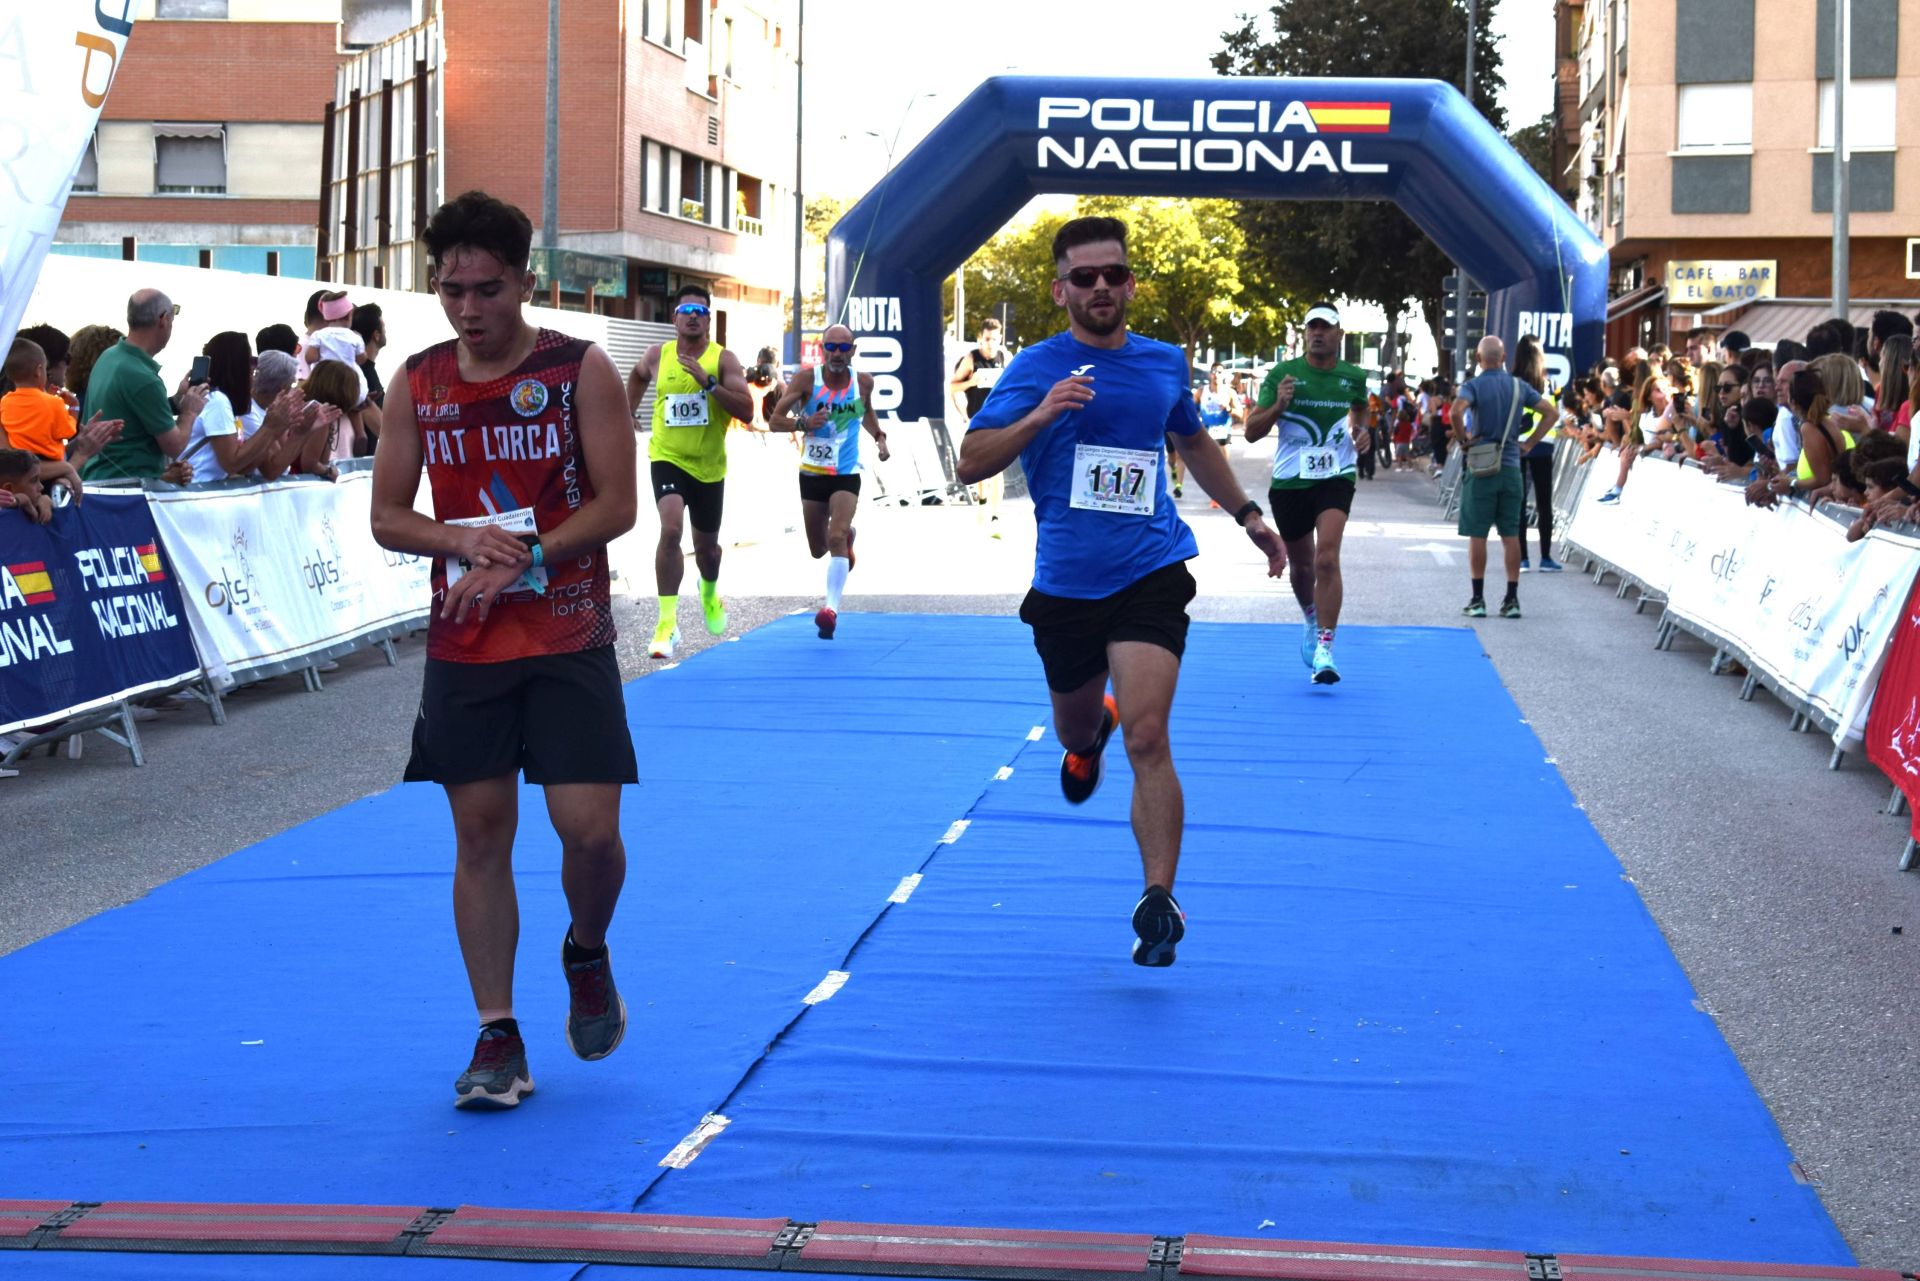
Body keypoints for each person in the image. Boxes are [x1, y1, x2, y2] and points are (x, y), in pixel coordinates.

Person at [954, 215, 1285, 969]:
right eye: (1084, 277)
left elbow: (1193, 439)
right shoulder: (1036, 366)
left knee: (1148, 735)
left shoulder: (1165, 363)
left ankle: (1158, 900)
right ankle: (1085, 734)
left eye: (1113, 274)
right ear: (1060, 288)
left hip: (1151, 569)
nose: (1101, 287)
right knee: (1081, 732)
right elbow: (971, 461)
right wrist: (1040, 415)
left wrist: (1247, 515)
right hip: (1067, 584)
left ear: (1131, 281)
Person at [369, 190, 640, 1111]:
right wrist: (457, 543)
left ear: (526, 282)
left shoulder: (581, 370)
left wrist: (529, 551)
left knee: (591, 836)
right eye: (451, 290)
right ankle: (497, 1032)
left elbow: (617, 506)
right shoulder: (418, 379)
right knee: (480, 833)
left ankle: (587, 948)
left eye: (487, 289)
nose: (469, 309)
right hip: (468, 643)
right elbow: (387, 516)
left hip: (567, 632)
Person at [626, 283, 754, 659]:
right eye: (687, 312)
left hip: (709, 468)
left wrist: (708, 383)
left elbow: (746, 410)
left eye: (701, 312)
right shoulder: (657, 355)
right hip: (666, 456)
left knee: (707, 551)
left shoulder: (723, 360)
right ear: (675, 318)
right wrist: (627, 412)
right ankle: (667, 622)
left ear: (709, 320)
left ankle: (709, 589)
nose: (693, 318)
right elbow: (635, 376)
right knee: (670, 529)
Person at [1245, 302, 1369, 684]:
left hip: (1336, 475)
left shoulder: (1353, 377)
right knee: (1302, 564)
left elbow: (1361, 410)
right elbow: (1251, 431)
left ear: (1339, 335)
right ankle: (1312, 618)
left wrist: (1361, 432)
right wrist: (1279, 405)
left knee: (1327, 558)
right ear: (1305, 333)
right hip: (1290, 480)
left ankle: (1326, 649)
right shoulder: (1283, 375)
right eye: (1312, 327)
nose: (1318, 333)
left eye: (1325, 327)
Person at [767, 323, 890, 638]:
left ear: (853, 350)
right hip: (812, 473)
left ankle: (830, 609)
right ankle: (847, 537)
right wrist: (804, 421)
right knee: (818, 548)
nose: (836, 353)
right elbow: (775, 421)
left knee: (833, 537)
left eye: (842, 347)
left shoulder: (863, 382)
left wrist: (879, 437)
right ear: (822, 350)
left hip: (846, 473)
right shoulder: (808, 379)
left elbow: (866, 412)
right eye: (830, 347)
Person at [1450, 336, 1562, 619]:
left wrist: (1464, 440)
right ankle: (1511, 599)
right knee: (1510, 534)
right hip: (1512, 466)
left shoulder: (1473, 386)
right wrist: (1530, 443)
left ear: (1478, 359)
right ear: (1503, 358)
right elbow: (1551, 413)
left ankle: (1478, 599)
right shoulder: (1518, 386)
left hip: (1482, 466)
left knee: (1478, 533)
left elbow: (1456, 410)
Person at [77, 289, 206, 483]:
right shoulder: (143, 378)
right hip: (125, 490)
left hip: (99, 480)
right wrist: (189, 412)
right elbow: (175, 446)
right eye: (173, 316)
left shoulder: (109, 356)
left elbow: (133, 412)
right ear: (163, 320)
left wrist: (176, 400)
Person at [2, 339, 120, 473]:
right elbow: (68, 431)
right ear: (39, 371)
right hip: (47, 465)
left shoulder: (4, 402)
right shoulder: (54, 403)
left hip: (24, 459)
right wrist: (74, 408)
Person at [1511, 335, 1564, 573]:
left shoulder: (1512, 382)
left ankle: (1522, 558)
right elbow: (1557, 414)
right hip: (1542, 445)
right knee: (1544, 503)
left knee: (1519, 503)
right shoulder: (1551, 384)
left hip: (1517, 445)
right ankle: (1545, 557)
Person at [951, 318, 1010, 516]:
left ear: (1000, 338)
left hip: (999, 421)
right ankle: (983, 502)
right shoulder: (971, 359)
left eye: (994, 339)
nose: (990, 343)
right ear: (980, 339)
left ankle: (995, 515)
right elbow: (952, 386)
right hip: (977, 419)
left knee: (998, 468)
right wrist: (971, 382)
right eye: (987, 339)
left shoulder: (1005, 358)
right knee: (981, 468)